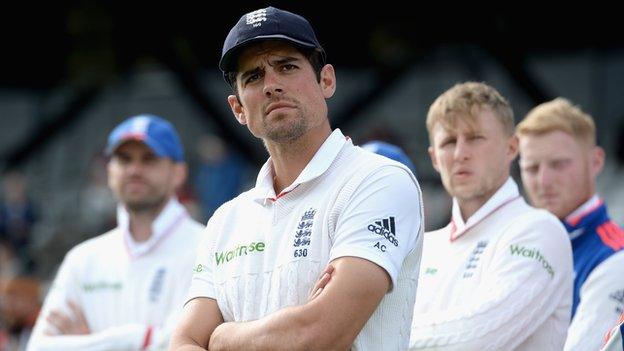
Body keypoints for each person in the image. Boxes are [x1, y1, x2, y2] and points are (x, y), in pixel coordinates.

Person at [170, 6, 423, 351]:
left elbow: (319, 335)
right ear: (238, 109)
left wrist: (223, 337)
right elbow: (183, 342)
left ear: (327, 80)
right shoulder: (225, 221)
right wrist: (293, 326)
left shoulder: (379, 180)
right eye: (253, 77)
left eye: (287, 67)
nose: (272, 85)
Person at [409, 82, 573, 350]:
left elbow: (480, 336)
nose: (461, 153)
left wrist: (389, 336)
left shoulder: (540, 230)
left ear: (511, 148)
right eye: (449, 142)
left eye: (475, 138)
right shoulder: (422, 247)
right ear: (435, 159)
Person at [27, 114, 204, 350]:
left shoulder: (208, 245)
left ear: (179, 172)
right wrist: (142, 339)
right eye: (124, 158)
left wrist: (85, 344)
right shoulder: (83, 258)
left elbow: (181, 344)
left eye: (149, 158)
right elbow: (38, 347)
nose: (134, 169)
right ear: (109, 170)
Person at [516, 97, 624, 351]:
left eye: (558, 165)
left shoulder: (615, 257)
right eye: (531, 168)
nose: (543, 180)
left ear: (596, 162)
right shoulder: (514, 247)